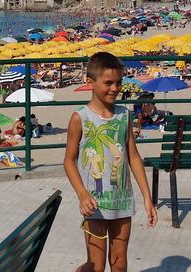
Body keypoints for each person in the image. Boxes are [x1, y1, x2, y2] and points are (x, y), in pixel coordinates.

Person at [64, 52, 157, 272]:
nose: (115, 88)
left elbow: (133, 156)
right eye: (108, 83)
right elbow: (69, 161)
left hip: (123, 201)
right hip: (94, 204)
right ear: (90, 82)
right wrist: (82, 194)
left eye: (118, 83)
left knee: (119, 262)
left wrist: (146, 197)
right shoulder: (80, 118)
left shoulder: (124, 116)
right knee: (95, 266)